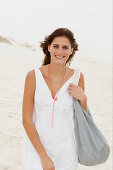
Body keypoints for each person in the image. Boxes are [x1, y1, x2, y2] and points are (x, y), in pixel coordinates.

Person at [22, 28, 88, 170]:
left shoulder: (78, 77)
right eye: (56, 46)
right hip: (36, 149)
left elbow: (82, 119)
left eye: (65, 47)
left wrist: (83, 98)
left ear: (71, 50)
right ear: (48, 48)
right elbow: (26, 120)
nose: (60, 52)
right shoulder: (33, 76)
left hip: (67, 151)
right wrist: (43, 157)